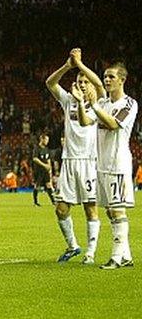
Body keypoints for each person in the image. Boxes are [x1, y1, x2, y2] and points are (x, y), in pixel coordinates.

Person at [45, 48, 104, 264]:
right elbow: (50, 83)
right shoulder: (68, 100)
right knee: (61, 210)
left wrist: (80, 65)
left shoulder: (101, 103)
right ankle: (73, 246)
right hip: (69, 161)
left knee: (91, 208)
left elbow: (98, 86)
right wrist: (68, 66)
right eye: (79, 81)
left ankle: (90, 252)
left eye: (84, 81)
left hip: (89, 161)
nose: (81, 83)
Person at [84, 62, 137, 269]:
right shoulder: (103, 103)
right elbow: (85, 121)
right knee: (109, 210)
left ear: (122, 80)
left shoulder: (129, 104)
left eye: (111, 77)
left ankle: (116, 257)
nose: (106, 80)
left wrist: (94, 105)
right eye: (105, 77)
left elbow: (114, 124)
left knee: (117, 210)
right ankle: (126, 256)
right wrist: (82, 102)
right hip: (102, 164)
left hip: (118, 164)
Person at [31, 133, 55, 207]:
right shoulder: (36, 148)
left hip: (45, 171)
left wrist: (49, 168)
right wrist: (44, 165)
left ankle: (53, 202)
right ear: (42, 139)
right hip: (38, 171)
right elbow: (35, 159)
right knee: (37, 185)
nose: (47, 141)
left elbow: (48, 159)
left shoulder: (46, 149)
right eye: (46, 140)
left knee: (48, 185)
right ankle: (35, 202)